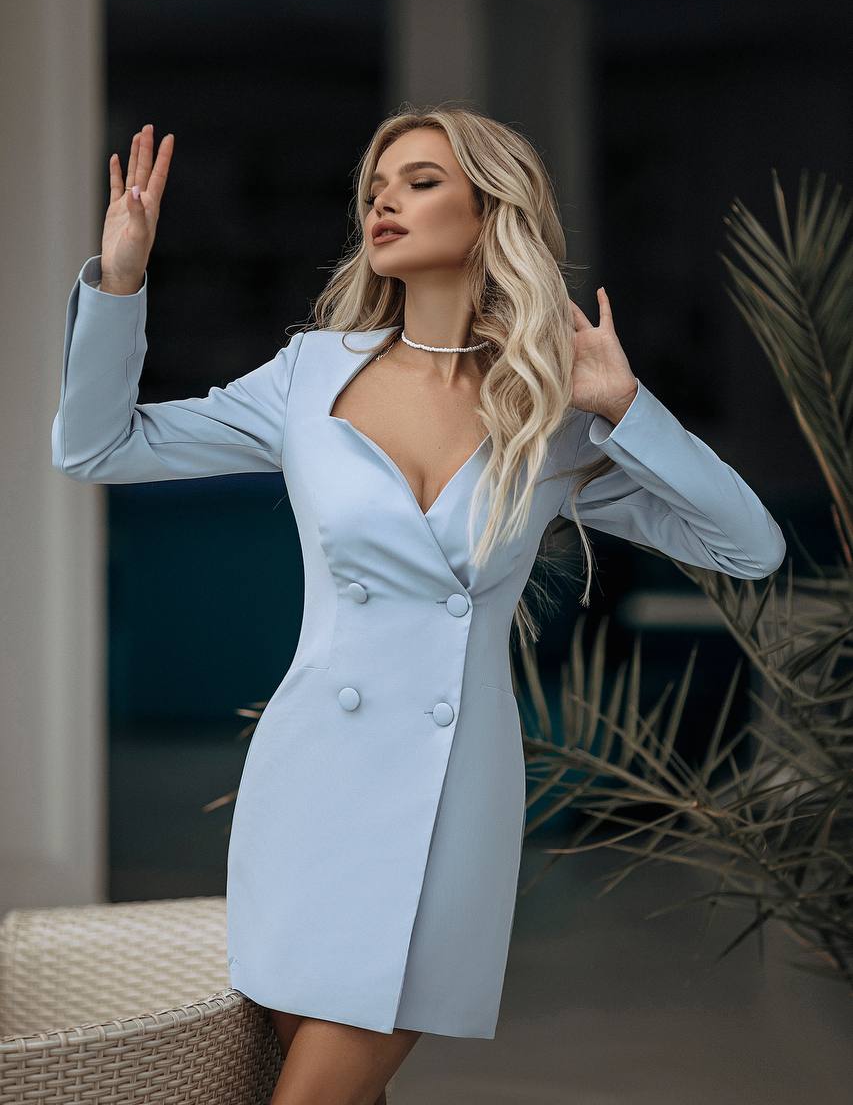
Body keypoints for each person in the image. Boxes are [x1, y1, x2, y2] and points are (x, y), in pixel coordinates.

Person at [51, 108, 786, 1105]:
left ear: (490, 210)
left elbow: (749, 544)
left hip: (447, 797)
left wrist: (623, 405)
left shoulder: (548, 410)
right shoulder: (309, 375)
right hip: (306, 785)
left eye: (420, 179)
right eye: (375, 185)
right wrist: (123, 280)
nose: (383, 200)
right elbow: (97, 446)